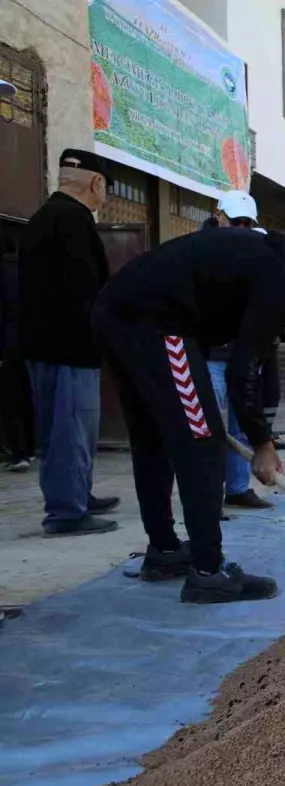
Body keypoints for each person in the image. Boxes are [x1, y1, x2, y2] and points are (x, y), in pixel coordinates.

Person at [92, 228, 285, 603]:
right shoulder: (284, 281)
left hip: (120, 314)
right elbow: (242, 370)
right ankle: (208, 573)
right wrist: (261, 442)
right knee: (203, 443)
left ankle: (164, 552)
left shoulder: (273, 264)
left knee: (154, 438)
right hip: (155, 322)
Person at [18, 149, 120, 536]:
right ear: (96, 183)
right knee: (70, 430)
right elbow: (84, 292)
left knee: (66, 429)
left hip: (43, 347)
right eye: (105, 188)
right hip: (70, 350)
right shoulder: (75, 222)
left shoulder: (42, 218)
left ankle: (77, 493)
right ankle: (66, 512)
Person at [202, 200, 273, 511]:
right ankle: (208, 495)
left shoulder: (251, 254)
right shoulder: (200, 252)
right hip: (209, 355)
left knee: (241, 425)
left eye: (247, 223)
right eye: (236, 221)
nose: (242, 229)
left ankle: (238, 487)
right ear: (219, 216)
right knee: (210, 429)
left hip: (241, 354)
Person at [0, 229, 34, 473]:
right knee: (29, 397)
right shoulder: (26, 271)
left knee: (11, 401)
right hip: (32, 344)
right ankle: (31, 450)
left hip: (7, 346)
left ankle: (19, 453)